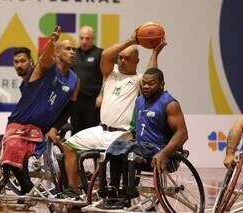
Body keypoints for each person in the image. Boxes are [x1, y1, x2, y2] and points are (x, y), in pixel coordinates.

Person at [60, 28, 166, 196]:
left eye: (127, 59)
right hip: (101, 130)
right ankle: (74, 190)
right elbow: (105, 56)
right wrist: (131, 40)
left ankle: (117, 192)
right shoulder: (111, 72)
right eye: (120, 58)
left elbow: (151, 74)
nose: (122, 61)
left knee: (117, 157)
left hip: (123, 134)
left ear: (136, 61)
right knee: (67, 146)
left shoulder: (139, 80)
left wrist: (154, 52)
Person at [0, 25, 80, 196]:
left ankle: (69, 188)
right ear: (57, 53)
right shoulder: (46, 67)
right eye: (67, 49)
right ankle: (27, 187)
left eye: (74, 49)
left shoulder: (75, 80)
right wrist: (52, 41)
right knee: (14, 147)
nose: (72, 52)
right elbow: (45, 57)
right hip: (20, 121)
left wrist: (55, 128)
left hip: (42, 128)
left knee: (63, 148)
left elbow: (69, 109)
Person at [104, 67, 188, 200]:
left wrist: (164, 153)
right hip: (141, 148)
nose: (146, 86)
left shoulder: (169, 104)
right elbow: (135, 128)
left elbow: (182, 134)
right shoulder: (139, 101)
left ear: (162, 84)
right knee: (114, 148)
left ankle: (126, 196)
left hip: (159, 151)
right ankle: (112, 191)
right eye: (144, 83)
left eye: (151, 83)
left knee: (125, 151)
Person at [70, 26, 103, 135]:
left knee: (92, 133)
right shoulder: (72, 54)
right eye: (82, 38)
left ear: (93, 39)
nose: (84, 41)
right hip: (76, 101)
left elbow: (106, 77)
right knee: (75, 132)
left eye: (87, 38)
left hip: (93, 101)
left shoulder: (100, 54)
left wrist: (101, 95)